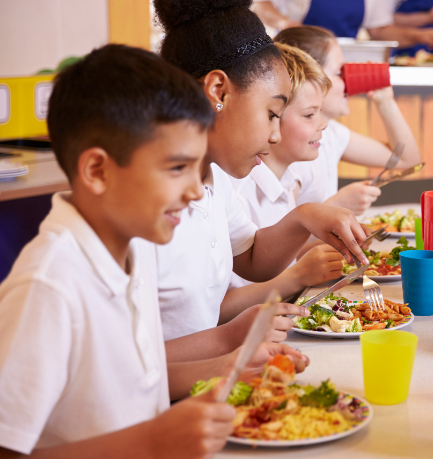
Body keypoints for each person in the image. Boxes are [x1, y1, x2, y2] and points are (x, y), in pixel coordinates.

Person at [0, 44, 308, 458]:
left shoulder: (132, 253)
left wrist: (229, 368)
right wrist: (152, 441)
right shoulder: (50, 285)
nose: (196, 191)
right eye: (177, 168)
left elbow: (133, 383)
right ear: (97, 171)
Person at [152, 0, 369, 362]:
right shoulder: (146, 205)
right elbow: (126, 366)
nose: (275, 135)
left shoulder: (215, 180)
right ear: (218, 91)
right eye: (271, 114)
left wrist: (305, 217)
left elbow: (252, 258)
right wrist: (229, 339)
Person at [227, 43, 346, 309]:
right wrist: (298, 275)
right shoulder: (237, 191)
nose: (323, 123)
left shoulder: (288, 181)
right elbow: (221, 305)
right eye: (309, 115)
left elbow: (277, 264)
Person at [275, 26, 423, 216]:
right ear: (311, 77)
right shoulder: (293, 150)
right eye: (340, 72)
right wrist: (336, 206)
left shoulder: (330, 133)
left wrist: (386, 102)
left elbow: (406, 159)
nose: (349, 82)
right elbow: (277, 232)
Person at [252, 0, 433, 50]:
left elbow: (379, 29)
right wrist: (284, 23)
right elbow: (260, 4)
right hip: (295, 60)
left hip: (342, 66)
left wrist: (417, 36)